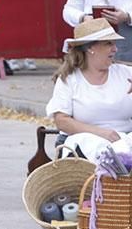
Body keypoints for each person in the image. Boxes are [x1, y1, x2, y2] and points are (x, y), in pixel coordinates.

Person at [46, 18, 132, 159]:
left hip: (126, 141)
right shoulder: (70, 79)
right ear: (90, 48)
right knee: (94, 145)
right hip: (85, 143)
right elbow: (62, 121)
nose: (115, 49)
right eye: (108, 43)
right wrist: (102, 133)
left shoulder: (126, 73)